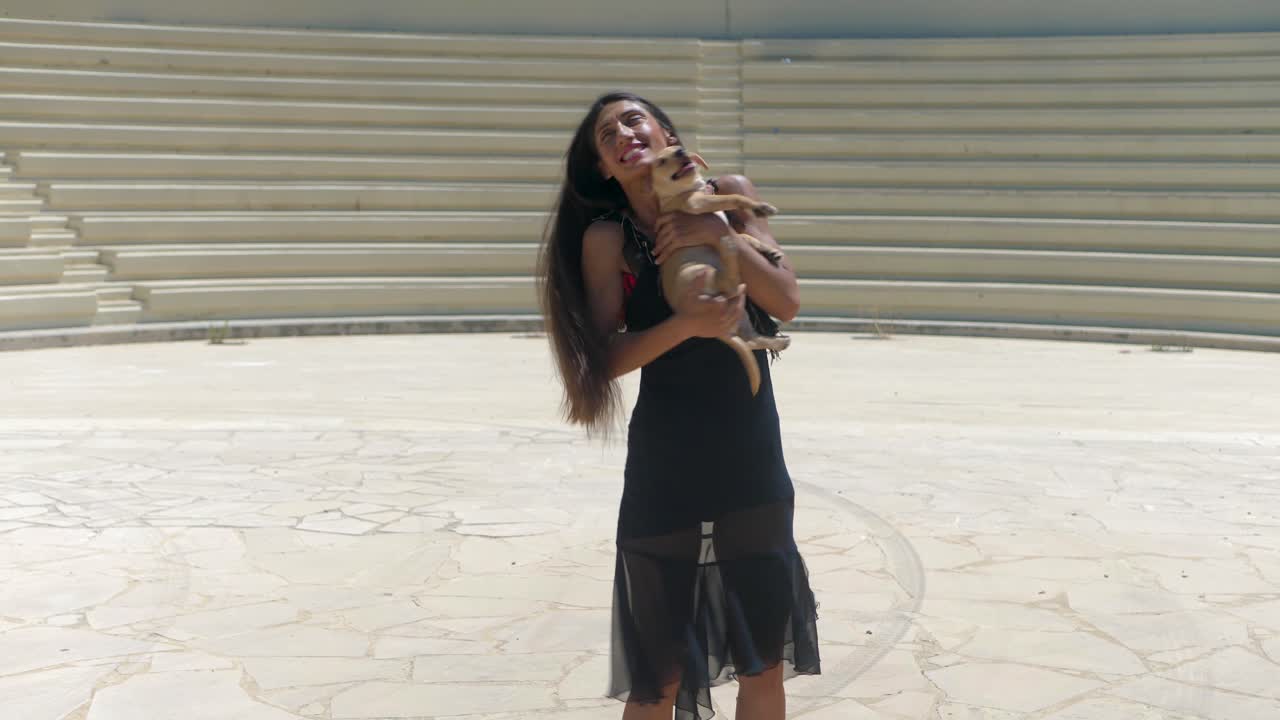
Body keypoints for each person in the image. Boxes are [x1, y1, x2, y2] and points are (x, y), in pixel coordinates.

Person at [537, 91, 820, 720]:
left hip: (749, 451)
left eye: (633, 120)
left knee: (763, 665)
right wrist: (686, 325)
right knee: (656, 677)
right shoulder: (608, 240)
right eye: (606, 136)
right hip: (666, 460)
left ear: (667, 133)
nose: (622, 134)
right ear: (604, 168)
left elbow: (788, 297)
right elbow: (604, 358)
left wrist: (716, 232)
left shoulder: (731, 193)